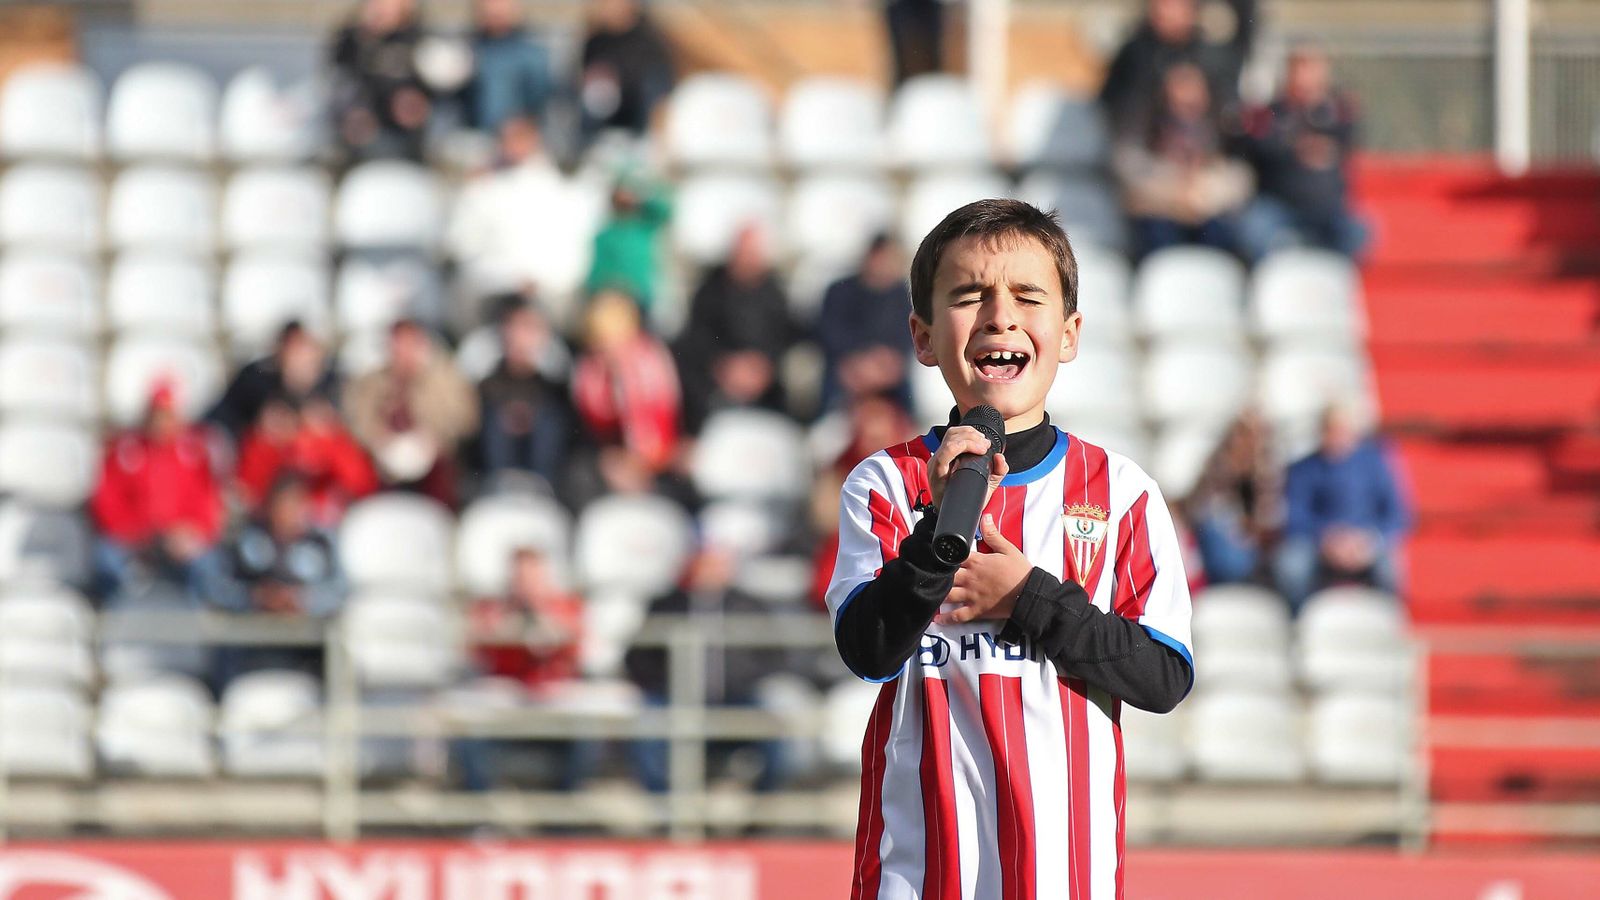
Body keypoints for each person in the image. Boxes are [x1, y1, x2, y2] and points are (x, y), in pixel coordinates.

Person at [828, 199, 1193, 897]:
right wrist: (938, 532)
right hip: (916, 876)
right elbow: (869, 650)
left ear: (1069, 333)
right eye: (969, 296)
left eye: (1028, 296)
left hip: (1063, 876)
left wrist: (1028, 596)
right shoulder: (882, 482)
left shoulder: (1121, 492)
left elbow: (1162, 677)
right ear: (924, 336)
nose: (1000, 315)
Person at [624, 545, 802, 794]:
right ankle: (667, 812)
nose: (711, 571)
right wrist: (667, 683)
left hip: (737, 698)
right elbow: (638, 656)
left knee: (775, 730)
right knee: (649, 728)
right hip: (675, 699)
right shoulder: (667, 604)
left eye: (717, 564)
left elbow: (775, 656)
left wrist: (742, 680)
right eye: (705, 563)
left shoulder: (748, 606)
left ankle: (762, 817)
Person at [454, 547, 588, 791]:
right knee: (468, 731)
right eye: (520, 577)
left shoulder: (565, 606)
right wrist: (505, 624)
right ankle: (479, 813)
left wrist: (543, 617)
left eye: (532, 577)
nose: (526, 584)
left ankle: (564, 818)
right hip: (505, 706)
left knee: (586, 735)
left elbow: (578, 647)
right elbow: (471, 649)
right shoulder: (491, 609)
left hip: (551, 705)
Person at [90, 382, 225, 606]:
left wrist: (188, 533)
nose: (160, 422)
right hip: (134, 541)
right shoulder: (124, 450)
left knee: (209, 565)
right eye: (156, 414)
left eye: (166, 414)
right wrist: (142, 535)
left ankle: (201, 632)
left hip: (177, 544)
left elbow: (208, 504)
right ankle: (115, 627)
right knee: (105, 559)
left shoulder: (193, 452)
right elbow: (106, 503)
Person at [1237, 43, 1369, 261]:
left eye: (1313, 68)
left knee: (1358, 231)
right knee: (1252, 230)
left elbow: (1346, 141)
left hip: (1326, 209)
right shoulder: (1270, 113)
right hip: (1277, 206)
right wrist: (1297, 148)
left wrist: (1316, 109)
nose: (1305, 77)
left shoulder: (1337, 111)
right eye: (1300, 68)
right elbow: (1259, 148)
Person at [209, 473, 346, 684]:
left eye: (299, 503)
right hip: (252, 648)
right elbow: (219, 590)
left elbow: (339, 592)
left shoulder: (321, 544)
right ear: (272, 505)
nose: (293, 511)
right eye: (287, 503)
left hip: (305, 651)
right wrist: (256, 597)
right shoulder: (246, 541)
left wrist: (302, 600)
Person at [447, 116, 599, 304]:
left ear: (536, 139)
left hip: (553, 295)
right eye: (507, 139)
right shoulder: (482, 190)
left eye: (521, 137)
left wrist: (544, 283)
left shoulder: (566, 191)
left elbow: (576, 250)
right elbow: (461, 244)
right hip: (494, 293)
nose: (513, 145)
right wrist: (508, 279)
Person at [1274, 403, 1411, 610]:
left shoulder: (1375, 464)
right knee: (1292, 565)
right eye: (1332, 429)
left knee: (1389, 567)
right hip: (1319, 542)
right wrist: (1327, 539)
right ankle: (1298, 620)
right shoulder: (1303, 469)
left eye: (1343, 429)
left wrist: (1371, 539)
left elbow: (1397, 514)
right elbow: (1295, 516)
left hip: (1366, 541)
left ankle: (1389, 621)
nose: (1337, 436)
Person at [1113, 61, 1253, 258]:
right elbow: (1129, 172)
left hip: (1208, 217)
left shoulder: (1222, 132)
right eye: (1179, 89)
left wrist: (1201, 193)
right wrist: (1175, 191)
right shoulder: (1143, 130)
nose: (1184, 99)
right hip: (1158, 219)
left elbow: (1240, 180)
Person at [343, 319, 480, 507]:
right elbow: (356, 419)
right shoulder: (372, 383)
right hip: (383, 458)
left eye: (409, 345)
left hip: (433, 457)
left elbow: (465, 420)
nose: (403, 353)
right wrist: (376, 437)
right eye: (398, 346)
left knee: (445, 477)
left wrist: (437, 439)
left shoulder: (445, 380)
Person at [675, 224, 798, 432]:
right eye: (742, 252)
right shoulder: (709, 289)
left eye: (752, 253)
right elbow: (697, 336)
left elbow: (784, 334)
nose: (747, 259)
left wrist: (762, 367)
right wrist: (724, 366)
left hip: (763, 379)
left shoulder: (774, 292)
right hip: (717, 375)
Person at [568, 288, 683, 506]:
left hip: (657, 459)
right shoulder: (587, 370)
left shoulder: (651, 363)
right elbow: (587, 430)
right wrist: (608, 460)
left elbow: (661, 428)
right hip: (609, 459)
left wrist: (639, 464)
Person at [1098, 0, 1258, 137]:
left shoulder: (1213, 57)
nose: (1163, 12)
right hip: (1145, 152)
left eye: (1171, 5)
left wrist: (1202, 99)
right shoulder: (1135, 53)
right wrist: (1162, 95)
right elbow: (1113, 106)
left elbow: (1231, 115)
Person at [234, 395, 378, 527]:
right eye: (291, 512)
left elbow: (267, 437)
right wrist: (328, 434)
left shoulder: (261, 477)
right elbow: (364, 485)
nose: (290, 508)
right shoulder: (324, 504)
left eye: (286, 509)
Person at [476, 297, 576, 485]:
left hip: (544, 474)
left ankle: (542, 487)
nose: (519, 337)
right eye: (514, 328)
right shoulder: (487, 382)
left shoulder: (556, 386)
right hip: (496, 473)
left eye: (528, 329)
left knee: (548, 422)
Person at [814, 235, 915, 414]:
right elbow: (829, 332)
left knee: (905, 400)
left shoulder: (903, 295)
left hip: (888, 372)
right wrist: (859, 362)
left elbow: (908, 335)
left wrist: (884, 364)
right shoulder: (839, 291)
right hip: (846, 368)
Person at [1182, 410, 1280, 585]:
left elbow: (1268, 518)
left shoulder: (1266, 470)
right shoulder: (1218, 466)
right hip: (1221, 538)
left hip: (1253, 544)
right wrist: (1229, 468)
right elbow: (1199, 509)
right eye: (1240, 434)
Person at [328, 0, 433, 161]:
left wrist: (416, 104)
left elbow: (440, 91)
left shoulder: (419, 40)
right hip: (359, 140)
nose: (381, 7)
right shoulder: (351, 40)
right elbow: (339, 82)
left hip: (407, 142)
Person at [207, 322, 337, 442]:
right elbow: (221, 419)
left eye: (304, 352)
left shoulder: (332, 384)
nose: (299, 359)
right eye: (294, 350)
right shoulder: (255, 379)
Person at [578, 0, 675, 139]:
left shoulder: (649, 39)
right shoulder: (596, 42)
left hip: (639, 119)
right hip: (603, 117)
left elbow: (659, 93)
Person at [584, 171, 671, 313]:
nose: (625, 197)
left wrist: (645, 191)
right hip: (615, 302)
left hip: (642, 297)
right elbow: (597, 273)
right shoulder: (605, 234)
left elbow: (666, 208)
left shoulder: (646, 226)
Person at [463, 0, 552, 134]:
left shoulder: (532, 55)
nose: (494, 13)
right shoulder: (468, 52)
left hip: (518, 138)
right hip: (477, 136)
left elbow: (539, 100)